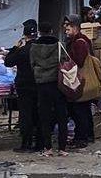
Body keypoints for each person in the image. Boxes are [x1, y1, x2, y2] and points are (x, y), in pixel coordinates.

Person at [30, 22, 68, 157]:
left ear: (39, 32)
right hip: (57, 84)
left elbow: (32, 64)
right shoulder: (59, 45)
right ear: (51, 30)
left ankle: (48, 148)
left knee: (44, 116)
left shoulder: (34, 47)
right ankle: (62, 148)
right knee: (61, 115)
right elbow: (64, 61)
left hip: (42, 84)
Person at [4, 19, 41, 153]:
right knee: (38, 113)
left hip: (24, 86)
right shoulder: (40, 48)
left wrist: (15, 47)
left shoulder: (22, 50)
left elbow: (8, 62)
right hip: (39, 84)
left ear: (25, 35)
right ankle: (39, 143)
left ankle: (26, 143)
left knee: (26, 115)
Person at [63, 14, 94, 149]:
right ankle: (88, 135)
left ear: (75, 27)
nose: (66, 30)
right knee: (84, 109)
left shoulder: (79, 42)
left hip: (79, 80)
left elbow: (79, 62)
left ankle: (81, 137)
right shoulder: (80, 40)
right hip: (82, 80)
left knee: (79, 109)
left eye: (68, 27)